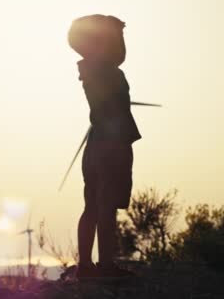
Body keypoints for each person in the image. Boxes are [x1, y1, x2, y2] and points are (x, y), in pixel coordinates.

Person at [68, 14, 141, 278]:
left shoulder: (92, 69)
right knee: (106, 206)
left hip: (98, 142)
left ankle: (86, 266)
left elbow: (117, 56)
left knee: (93, 205)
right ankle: (106, 266)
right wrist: (115, 30)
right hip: (111, 144)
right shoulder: (105, 70)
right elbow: (119, 55)